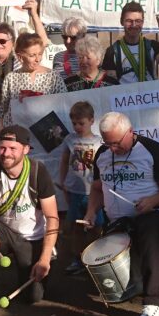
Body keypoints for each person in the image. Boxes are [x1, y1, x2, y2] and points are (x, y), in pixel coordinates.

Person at [83, 113, 159, 316]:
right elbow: (96, 189)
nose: (112, 149)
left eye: (116, 143)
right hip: (117, 219)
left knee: (149, 232)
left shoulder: (153, 150)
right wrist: (91, 212)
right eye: (107, 143)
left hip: (151, 213)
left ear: (130, 132)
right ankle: (136, 284)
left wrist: (152, 201)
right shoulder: (102, 153)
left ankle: (155, 305)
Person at [0, 125, 59, 312]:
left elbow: (52, 217)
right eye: (2, 147)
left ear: (26, 150)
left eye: (12, 148)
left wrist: (43, 259)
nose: (6, 153)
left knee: (33, 296)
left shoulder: (38, 172)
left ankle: (48, 251)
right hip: (2, 230)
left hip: (31, 236)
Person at [58, 101, 102, 275]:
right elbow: (64, 161)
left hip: (94, 193)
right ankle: (78, 258)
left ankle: (94, 258)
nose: (77, 127)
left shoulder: (100, 142)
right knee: (76, 226)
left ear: (91, 120)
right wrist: (62, 181)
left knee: (96, 227)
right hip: (74, 191)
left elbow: (104, 167)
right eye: (74, 123)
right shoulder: (70, 139)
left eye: (81, 123)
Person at [0, 33, 67, 130]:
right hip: (16, 133)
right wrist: (0, 125)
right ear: (20, 57)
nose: (38, 59)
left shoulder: (53, 77)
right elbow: (4, 106)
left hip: (44, 133)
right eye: (32, 55)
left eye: (40, 54)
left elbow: (63, 104)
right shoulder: (11, 78)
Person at [102, 2, 159, 84]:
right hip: (125, 96)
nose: (134, 25)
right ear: (121, 22)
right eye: (129, 21)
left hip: (149, 95)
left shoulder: (152, 46)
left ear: (143, 22)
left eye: (138, 21)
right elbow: (110, 83)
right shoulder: (112, 51)